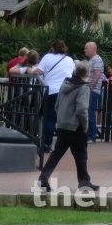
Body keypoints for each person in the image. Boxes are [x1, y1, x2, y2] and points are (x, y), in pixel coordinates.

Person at [36, 61, 97, 192]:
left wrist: (61, 119)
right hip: (76, 127)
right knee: (81, 155)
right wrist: (85, 126)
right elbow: (81, 109)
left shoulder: (65, 84)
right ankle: (84, 182)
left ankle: (43, 177)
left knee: (56, 154)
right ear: (86, 74)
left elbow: (57, 105)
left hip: (63, 125)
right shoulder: (84, 88)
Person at [38, 40, 76, 154]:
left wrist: (28, 69)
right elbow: (74, 73)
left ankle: (47, 144)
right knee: (62, 119)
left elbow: (39, 71)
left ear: (53, 48)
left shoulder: (47, 57)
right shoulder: (69, 60)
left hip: (51, 90)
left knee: (49, 118)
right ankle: (63, 144)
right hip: (66, 91)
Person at [84, 42, 104, 144]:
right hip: (91, 89)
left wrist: (90, 87)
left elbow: (97, 74)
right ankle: (90, 135)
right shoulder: (93, 60)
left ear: (92, 49)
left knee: (90, 112)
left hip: (93, 90)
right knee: (88, 112)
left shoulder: (96, 60)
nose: (85, 50)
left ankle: (92, 136)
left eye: (86, 48)